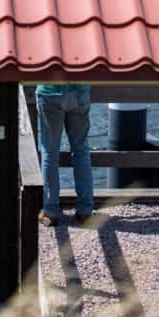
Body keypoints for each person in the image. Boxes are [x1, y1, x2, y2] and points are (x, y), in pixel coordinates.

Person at [35, 83, 94, 226]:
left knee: (49, 153)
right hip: (79, 90)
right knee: (81, 151)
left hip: (49, 91)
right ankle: (85, 211)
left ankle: (51, 212)